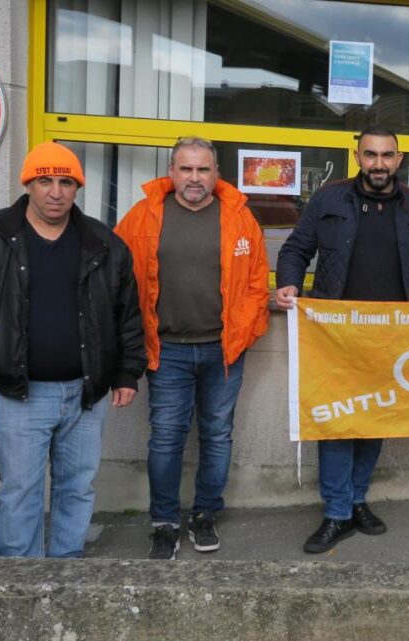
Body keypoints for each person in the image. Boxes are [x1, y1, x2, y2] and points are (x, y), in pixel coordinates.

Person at [276, 126, 409, 554]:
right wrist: (288, 284)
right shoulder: (328, 200)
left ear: (399, 158)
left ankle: (358, 501)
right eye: (371, 155)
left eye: (387, 155)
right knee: (337, 423)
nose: (379, 163)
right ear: (358, 156)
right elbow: (296, 249)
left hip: (394, 339)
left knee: (375, 420)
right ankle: (336, 513)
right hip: (335, 337)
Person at [117, 136, 270, 560]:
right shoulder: (143, 216)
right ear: (172, 172)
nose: (195, 178)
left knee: (218, 436)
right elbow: (118, 277)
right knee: (166, 438)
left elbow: (259, 281)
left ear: (217, 174)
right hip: (167, 352)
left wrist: (244, 331)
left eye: (203, 169)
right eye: (186, 169)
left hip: (224, 350)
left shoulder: (239, 217)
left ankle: (204, 515)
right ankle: (164, 522)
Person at [0, 142, 145, 557]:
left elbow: (128, 313)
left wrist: (128, 372)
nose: (55, 192)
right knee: (20, 490)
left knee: (76, 487)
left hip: (86, 392)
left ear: (78, 187)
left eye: (65, 182)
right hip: (21, 392)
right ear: (28, 183)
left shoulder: (105, 243)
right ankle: (18, 582)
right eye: (45, 181)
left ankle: (66, 572)